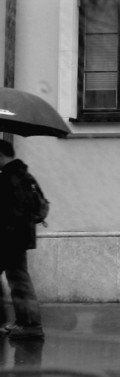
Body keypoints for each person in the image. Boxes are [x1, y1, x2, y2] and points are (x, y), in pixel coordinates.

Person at [0, 139, 44, 340]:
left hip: (11, 239)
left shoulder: (11, 178)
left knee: (19, 282)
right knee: (18, 280)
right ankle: (23, 321)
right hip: (19, 237)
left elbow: (12, 213)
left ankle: (31, 325)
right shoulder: (23, 175)